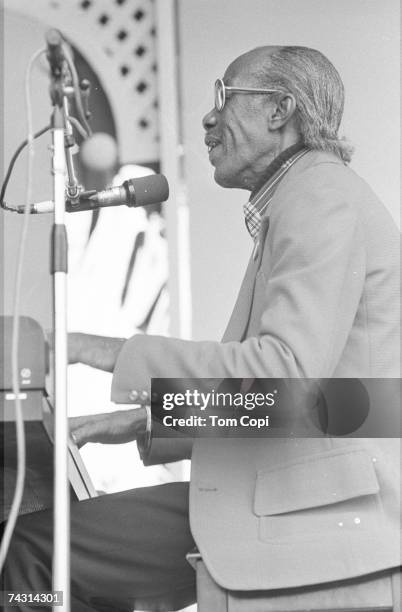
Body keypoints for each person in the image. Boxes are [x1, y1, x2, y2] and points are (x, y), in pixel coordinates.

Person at [2, 45, 400, 611]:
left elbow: (283, 377)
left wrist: (97, 349)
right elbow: (333, 403)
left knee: (31, 553)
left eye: (224, 95)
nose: (209, 118)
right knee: (56, 557)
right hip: (294, 491)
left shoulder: (318, 197)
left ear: (280, 110)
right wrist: (149, 420)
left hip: (308, 509)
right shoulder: (313, 195)